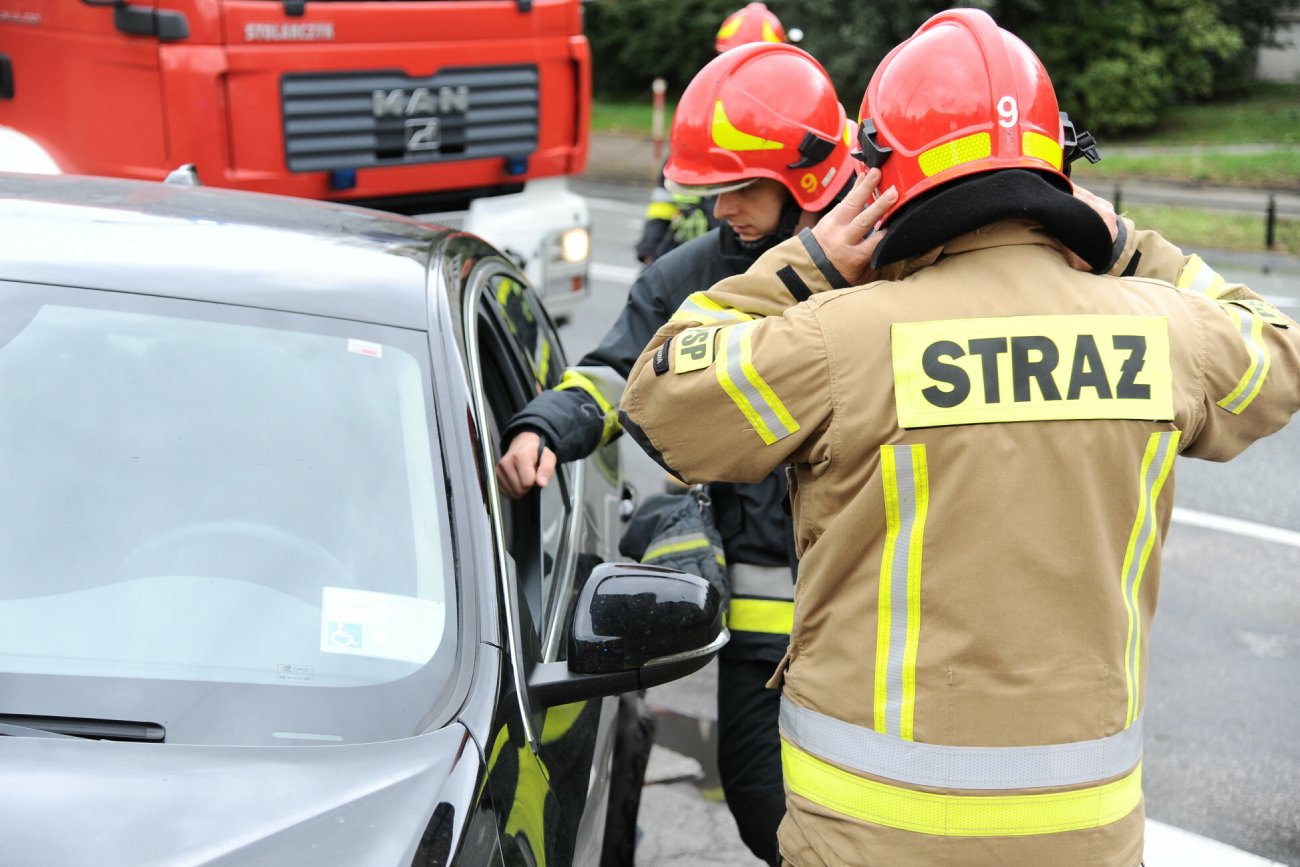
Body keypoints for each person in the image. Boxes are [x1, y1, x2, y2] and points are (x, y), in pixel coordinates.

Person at [618, 9, 1300, 866]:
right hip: (1083, 838)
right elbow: (1272, 343)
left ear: (882, 181)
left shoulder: (842, 336)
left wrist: (810, 263)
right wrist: (1128, 247)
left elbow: (663, 396)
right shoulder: (1162, 333)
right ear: (1055, 169)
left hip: (868, 838)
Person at [496, 41, 858, 866]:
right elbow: (617, 373)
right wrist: (543, 427)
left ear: (803, 179)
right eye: (712, 189)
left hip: (875, 606)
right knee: (762, 798)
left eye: (739, 188)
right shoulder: (692, 279)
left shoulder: (882, 276)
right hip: (764, 608)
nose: (719, 207)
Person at [635, 2, 793, 265]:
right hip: (681, 253)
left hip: (736, 262)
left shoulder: (781, 129)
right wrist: (651, 243)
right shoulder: (704, 112)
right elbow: (667, 188)